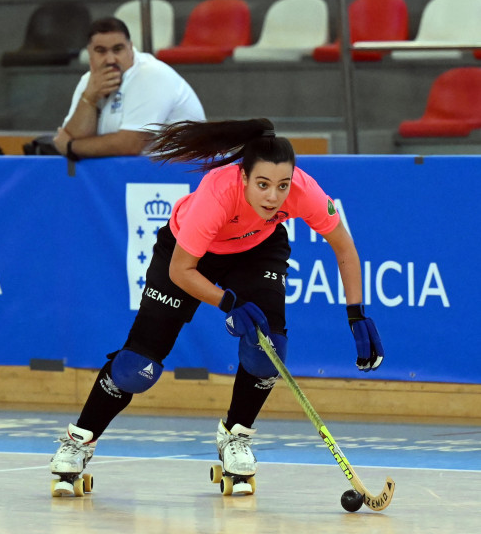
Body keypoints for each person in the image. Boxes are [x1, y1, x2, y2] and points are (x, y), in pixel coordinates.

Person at [49, 118, 384, 497]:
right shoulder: (218, 192)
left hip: (256, 252)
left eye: (282, 186)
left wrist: (356, 313)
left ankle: (235, 436)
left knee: (268, 349)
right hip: (188, 256)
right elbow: (181, 270)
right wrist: (228, 302)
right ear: (242, 177)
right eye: (262, 185)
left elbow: (344, 247)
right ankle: (80, 440)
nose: (273, 197)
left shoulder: (303, 191)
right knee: (136, 368)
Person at [52, 17, 205, 160]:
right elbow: (74, 135)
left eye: (117, 49)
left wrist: (71, 147)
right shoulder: (89, 81)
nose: (110, 59)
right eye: (101, 51)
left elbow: (130, 144)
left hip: (186, 173)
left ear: (130, 48)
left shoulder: (150, 74)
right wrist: (89, 98)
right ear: (90, 54)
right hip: (137, 175)